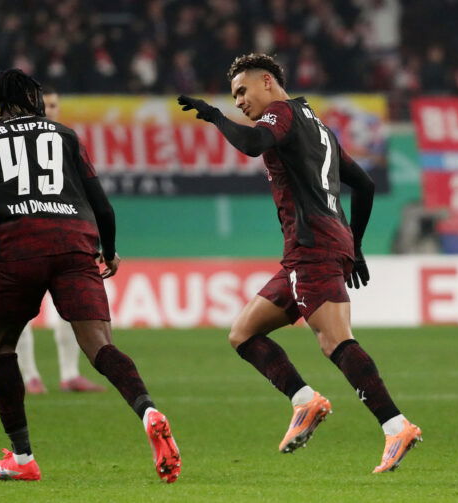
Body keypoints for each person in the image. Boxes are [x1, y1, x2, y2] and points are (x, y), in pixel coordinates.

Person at [178, 53, 421, 473]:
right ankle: (305, 401)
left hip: (313, 246)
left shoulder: (282, 114)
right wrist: (355, 245)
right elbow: (364, 184)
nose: (239, 101)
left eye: (242, 91)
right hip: (314, 247)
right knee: (242, 333)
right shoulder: (319, 126)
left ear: (267, 82)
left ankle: (396, 426)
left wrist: (215, 116)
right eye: (233, 97)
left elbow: (254, 144)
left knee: (334, 340)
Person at [0, 69, 180, 483]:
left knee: (1, 348)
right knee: (101, 345)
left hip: (18, 250)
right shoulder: (66, 136)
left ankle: (22, 458)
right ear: (31, 99)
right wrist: (108, 249)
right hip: (74, 246)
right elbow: (102, 205)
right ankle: (149, 411)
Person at [0, 85, 105, 394]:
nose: (52, 109)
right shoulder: (13, 140)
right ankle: (30, 375)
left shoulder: (64, 140)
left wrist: (93, 240)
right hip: (23, 241)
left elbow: (82, 195)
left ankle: (70, 374)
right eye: (48, 104)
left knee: (71, 309)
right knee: (19, 311)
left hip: (64, 240)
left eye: (56, 104)